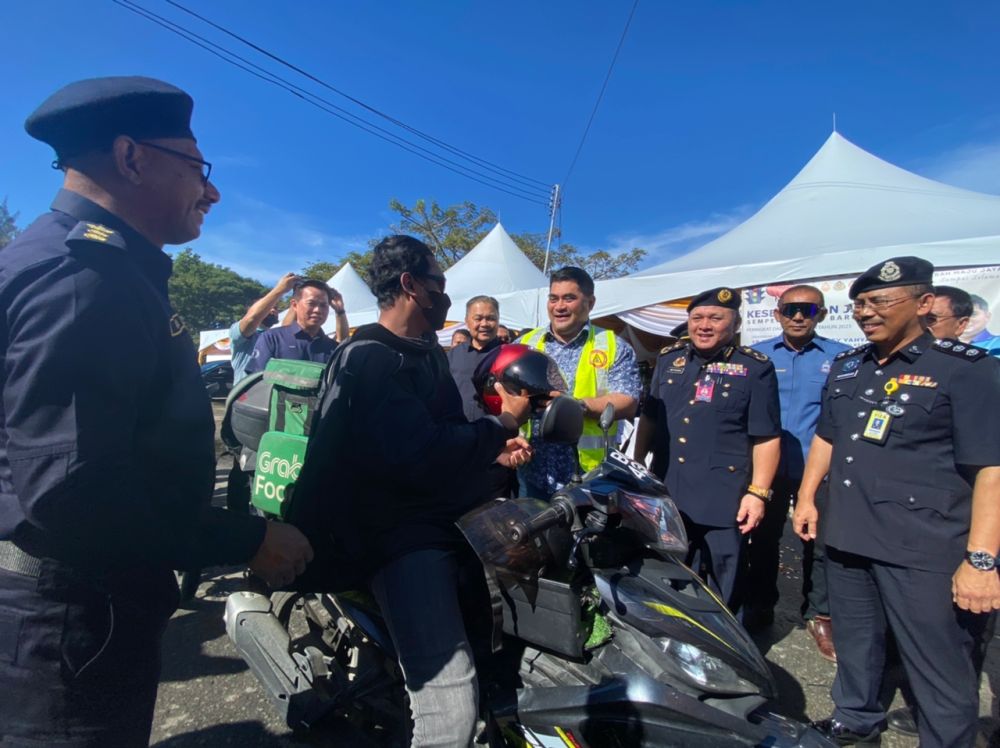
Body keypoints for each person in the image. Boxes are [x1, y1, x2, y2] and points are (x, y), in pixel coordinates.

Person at [0, 76, 313, 747]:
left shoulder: (88, 263)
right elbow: (74, 493)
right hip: (70, 618)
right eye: (198, 168)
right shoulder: (86, 281)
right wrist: (245, 540)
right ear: (132, 157)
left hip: (77, 603)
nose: (213, 190)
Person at [295, 235, 534, 747]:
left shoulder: (425, 354)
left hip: (445, 515)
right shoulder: (370, 356)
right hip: (395, 533)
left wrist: (493, 449)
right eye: (438, 283)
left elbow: (441, 431)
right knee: (450, 700)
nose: (445, 295)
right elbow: (418, 451)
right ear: (410, 285)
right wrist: (504, 420)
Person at [793, 257, 1000, 748]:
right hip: (847, 537)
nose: (866, 312)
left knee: (940, 666)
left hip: (922, 548)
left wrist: (982, 560)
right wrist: (805, 497)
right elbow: (827, 436)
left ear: (924, 303)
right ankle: (855, 724)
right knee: (857, 647)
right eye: (860, 303)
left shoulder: (965, 370)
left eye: (880, 301)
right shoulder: (848, 368)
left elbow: (991, 469)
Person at [633, 287, 781, 607]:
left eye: (716, 318)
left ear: (736, 324)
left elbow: (766, 437)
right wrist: (637, 463)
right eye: (697, 317)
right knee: (669, 568)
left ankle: (725, 647)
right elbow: (650, 418)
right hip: (669, 485)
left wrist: (757, 494)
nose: (704, 325)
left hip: (723, 494)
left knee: (723, 578)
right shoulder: (670, 359)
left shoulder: (755, 368)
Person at [744, 285, 848, 658]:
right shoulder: (757, 357)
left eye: (808, 310)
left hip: (815, 469)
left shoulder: (841, 359)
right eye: (791, 310)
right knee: (762, 537)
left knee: (817, 544)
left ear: (821, 314)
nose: (799, 316)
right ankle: (759, 605)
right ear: (777, 314)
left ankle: (819, 613)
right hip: (767, 469)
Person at [516, 266, 641, 498]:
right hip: (533, 472)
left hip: (589, 476)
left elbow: (628, 401)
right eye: (553, 299)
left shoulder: (613, 345)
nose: (559, 306)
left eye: (569, 298)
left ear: (590, 303)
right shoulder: (525, 344)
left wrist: (575, 407)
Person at [447, 295, 516, 499]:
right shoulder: (452, 356)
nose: (484, 324)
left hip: (497, 454)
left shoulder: (509, 356)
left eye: (491, 318)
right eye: (478, 318)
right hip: (457, 451)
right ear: (467, 321)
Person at [245, 278, 341, 374]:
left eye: (323, 305)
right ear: (294, 305)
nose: (317, 310)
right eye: (311, 303)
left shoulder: (333, 348)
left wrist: (340, 311)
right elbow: (255, 380)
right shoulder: (272, 338)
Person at [230, 272, 299, 384]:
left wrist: (297, 295)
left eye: (275, 308)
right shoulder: (239, 332)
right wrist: (280, 289)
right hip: (246, 397)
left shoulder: (274, 336)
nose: (273, 310)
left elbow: (286, 328)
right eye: (269, 307)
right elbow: (251, 319)